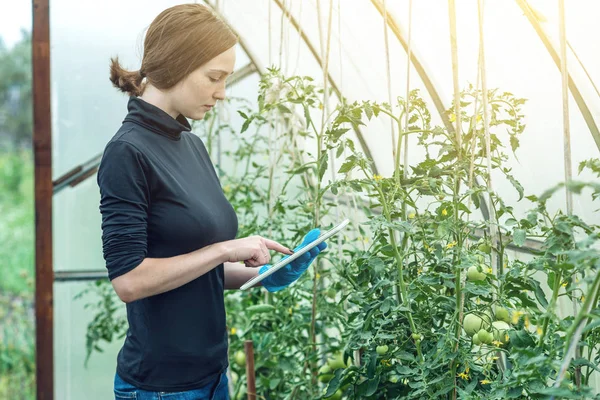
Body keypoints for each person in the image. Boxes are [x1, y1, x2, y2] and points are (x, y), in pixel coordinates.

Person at [97, 4, 327, 400]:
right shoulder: (126, 153)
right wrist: (224, 249)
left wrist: (264, 273)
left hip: (213, 376)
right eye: (214, 78)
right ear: (174, 65)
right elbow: (130, 281)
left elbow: (193, 272)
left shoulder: (191, 145)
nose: (222, 93)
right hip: (160, 388)